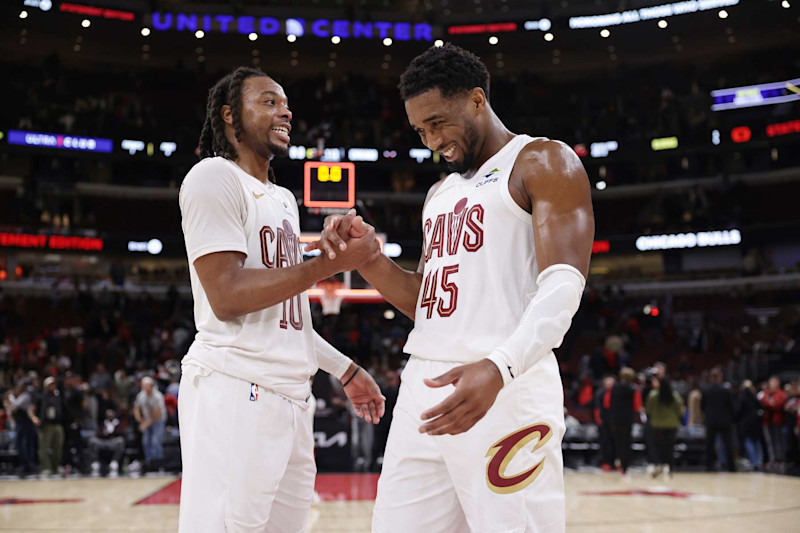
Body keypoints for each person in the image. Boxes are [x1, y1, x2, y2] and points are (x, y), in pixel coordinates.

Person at [310, 44, 593, 532]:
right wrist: (371, 260)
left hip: (503, 384)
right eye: (420, 130)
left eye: (438, 122)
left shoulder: (542, 161)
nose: (430, 140)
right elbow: (430, 303)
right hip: (423, 386)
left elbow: (564, 285)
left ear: (478, 100)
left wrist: (500, 368)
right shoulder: (440, 193)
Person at [177, 66, 386, 533]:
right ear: (230, 116)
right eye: (269, 101)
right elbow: (228, 296)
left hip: (292, 397)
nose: (285, 110)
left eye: (285, 102)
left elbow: (287, 319)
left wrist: (345, 370)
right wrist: (326, 265)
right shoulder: (213, 178)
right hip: (236, 386)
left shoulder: (284, 200)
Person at [645, 377, 684, 479]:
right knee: (669, 448)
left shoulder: (653, 395)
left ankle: (659, 466)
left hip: (657, 425)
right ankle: (670, 468)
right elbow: (680, 411)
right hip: (672, 425)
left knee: (658, 447)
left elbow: (648, 410)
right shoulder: (674, 396)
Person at [700, 367, 736, 472]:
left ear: (711, 377)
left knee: (709, 445)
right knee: (728, 444)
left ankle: (709, 466)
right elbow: (731, 406)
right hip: (725, 421)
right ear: (720, 377)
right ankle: (731, 466)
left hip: (711, 420)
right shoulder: (725, 389)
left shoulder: (705, 389)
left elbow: (702, 406)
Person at [608, 367, 641, 479]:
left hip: (615, 419)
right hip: (627, 420)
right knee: (626, 443)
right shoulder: (633, 389)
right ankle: (625, 466)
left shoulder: (614, 387)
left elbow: (609, 404)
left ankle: (619, 463)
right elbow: (637, 406)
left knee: (618, 443)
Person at [133, 376, 166, 471]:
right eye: (144, 386)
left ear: (151, 386)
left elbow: (157, 413)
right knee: (146, 441)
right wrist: (140, 420)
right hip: (147, 421)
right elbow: (136, 408)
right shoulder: (141, 396)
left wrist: (146, 423)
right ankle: (149, 463)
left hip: (158, 421)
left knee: (156, 441)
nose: (145, 388)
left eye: (147, 386)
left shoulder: (157, 396)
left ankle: (159, 463)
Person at [36, 376, 65, 476]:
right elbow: (35, 409)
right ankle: (46, 468)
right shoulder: (41, 397)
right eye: (50, 385)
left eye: (54, 384)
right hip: (46, 425)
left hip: (57, 424)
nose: (53, 386)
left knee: (58, 447)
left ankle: (56, 466)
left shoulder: (57, 397)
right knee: (44, 448)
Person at [760, 375, 787, 472]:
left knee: (778, 442)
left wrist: (769, 403)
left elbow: (777, 405)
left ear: (777, 383)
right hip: (767, 422)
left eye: (773, 382)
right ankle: (772, 460)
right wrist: (769, 402)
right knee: (769, 442)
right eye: (770, 382)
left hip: (778, 422)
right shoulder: (767, 393)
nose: (772, 384)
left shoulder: (781, 393)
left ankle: (780, 461)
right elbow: (763, 401)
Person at [736, 380, 763, 471]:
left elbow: (738, 411)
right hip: (756, 423)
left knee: (749, 442)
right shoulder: (755, 396)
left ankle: (754, 461)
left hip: (746, 424)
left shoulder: (741, 397)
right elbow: (760, 409)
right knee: (757, 442)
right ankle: (759, 461)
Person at [594, 374, 616, 471]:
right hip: (603, 422)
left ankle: (613, 462)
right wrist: (599, 420)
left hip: (614, 421)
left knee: (614, 442)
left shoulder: (616, 393)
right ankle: (605, 462)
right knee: (604, 442)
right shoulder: (600, 393)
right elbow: (597, 408)